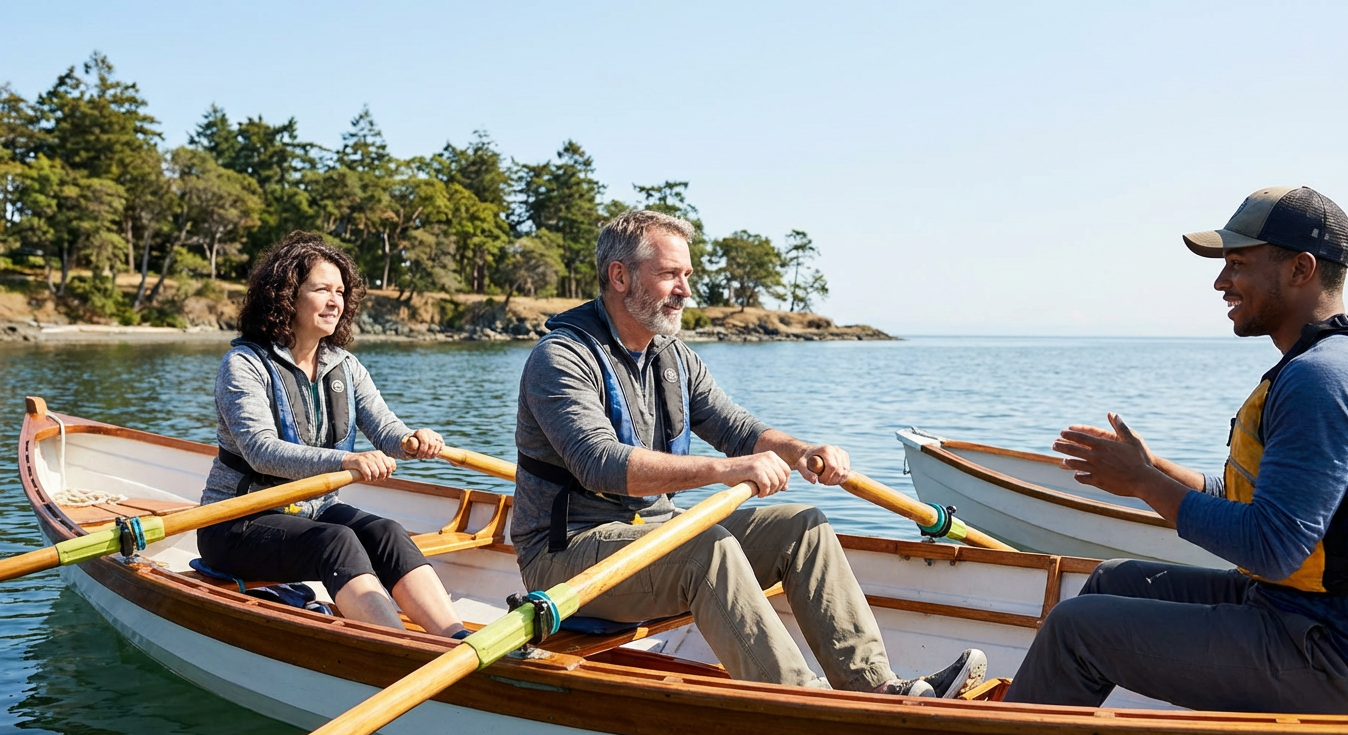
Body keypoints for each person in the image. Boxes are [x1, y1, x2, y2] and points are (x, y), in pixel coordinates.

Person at [512, 209, 985, 697]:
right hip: (567, 557)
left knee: (803, 527)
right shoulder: (560, 359)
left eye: (687, 275)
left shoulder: (672, 357)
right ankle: (798, 700)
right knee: (707, 549)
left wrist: (801, 451)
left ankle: (873, 686)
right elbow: (600, 463)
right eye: (670, 274)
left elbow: (738, 429)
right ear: (619, 276)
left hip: (650, 538)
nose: (686, 290)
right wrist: (727, 470)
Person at [1004, 186, 1348, 714]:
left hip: (1346, 661)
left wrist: (1143, 485)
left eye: (1237, 264)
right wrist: (1152, 469)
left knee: (1077, 630)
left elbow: (1272, 547)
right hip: (1307, 614)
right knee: (1113, 579)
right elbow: (1273, 505)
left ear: (1300, 269)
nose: (1221, 282)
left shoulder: (1323, 380)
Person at [196, 231, 466, 639]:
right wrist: (346, 460)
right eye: (321, 289)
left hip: (311, 512)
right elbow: (260, 452)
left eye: (340, 291)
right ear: (286, 295)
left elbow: (386, 429)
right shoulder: (243, 364)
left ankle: (456, 638)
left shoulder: (346, 366)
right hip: (236, 524)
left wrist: (411, 440)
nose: (335, 301)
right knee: (336, 542)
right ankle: (401, 649)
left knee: (386, 532)